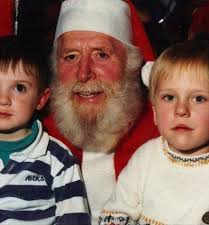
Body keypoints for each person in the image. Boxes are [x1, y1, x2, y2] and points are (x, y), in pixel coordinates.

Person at [43, 0, 159, 224]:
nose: (84, 73)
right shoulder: (37, 141)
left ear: (131, 65)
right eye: (71, 56)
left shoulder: (165, 139)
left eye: (101, 55)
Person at [99, 39, 209, 225]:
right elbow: (119, 211)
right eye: (169, 97)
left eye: (199, 98)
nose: (181, 109)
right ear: (155, 112)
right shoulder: (145, 158)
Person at [0, 35, 90, 225]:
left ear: (41, 99)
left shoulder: (58, 159)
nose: (2, 99)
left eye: (19, 88)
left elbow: (74, 218)